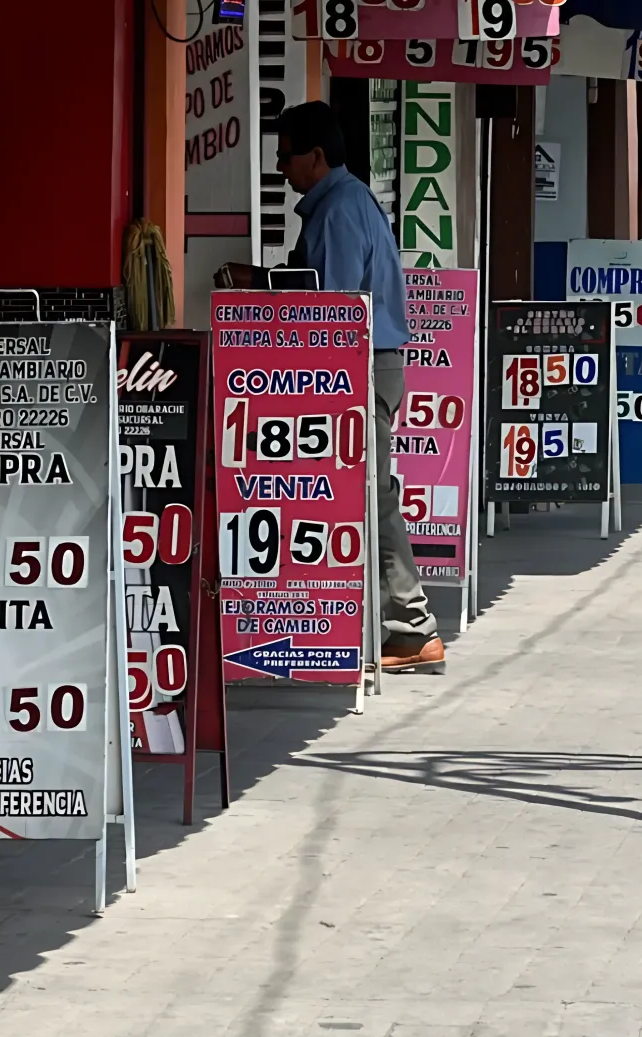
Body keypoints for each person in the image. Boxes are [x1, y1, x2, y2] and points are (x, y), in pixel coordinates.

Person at [222, 101, 443, 673]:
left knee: (372, 495)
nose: (279, 167)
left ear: (316, 157)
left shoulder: (341, 209)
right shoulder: (342, 202)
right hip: (362, 363)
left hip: (360, 366)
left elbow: (333, 304)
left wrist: (260, 283)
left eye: (285, 155)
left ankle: (412, 626)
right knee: (364, 495)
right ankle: (385, 624)